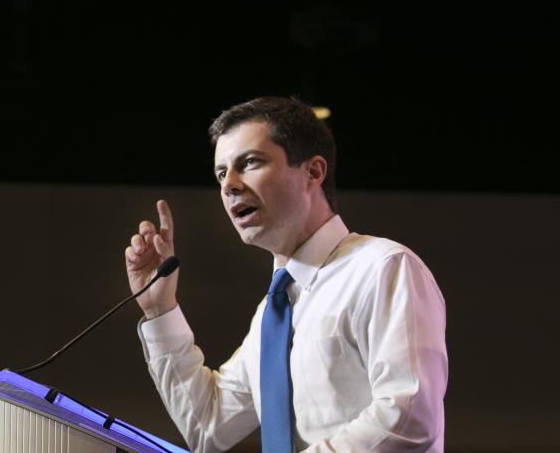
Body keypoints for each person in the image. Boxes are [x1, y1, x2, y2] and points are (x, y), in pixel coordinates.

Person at [124, 96, 447, 453]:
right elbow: (207, 426)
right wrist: (160, 309)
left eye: (249, 163)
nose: (228, 185)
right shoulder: (274, 312)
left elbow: (409, 418)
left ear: (313, 172)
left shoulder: (382, 268)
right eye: (220, 173)